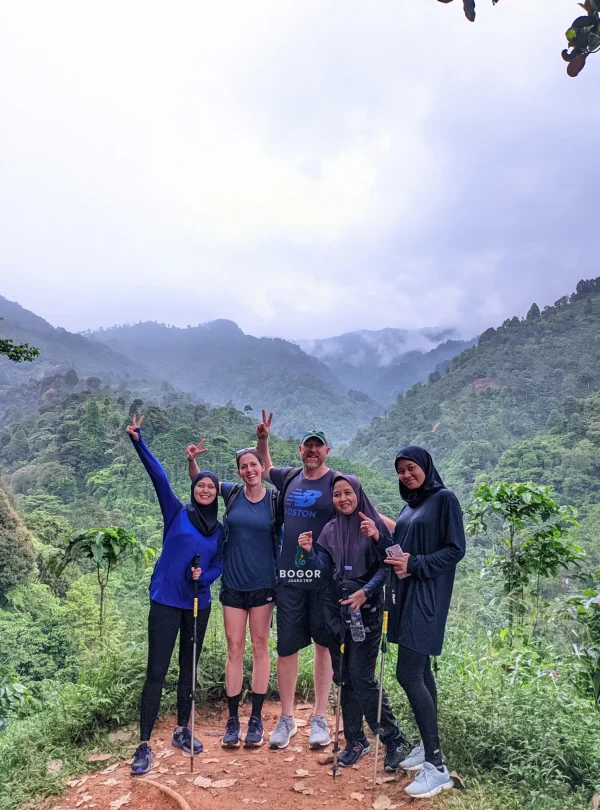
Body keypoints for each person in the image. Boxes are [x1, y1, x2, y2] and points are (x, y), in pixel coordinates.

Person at [363, 445, 465, 799]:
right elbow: (404, 545)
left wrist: (415, 564)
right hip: (406, 597)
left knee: (407, 673)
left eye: (411, 468)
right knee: (419, 672)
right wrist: (381, 537)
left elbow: (455, 549)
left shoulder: (444, 499)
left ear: (425, 467)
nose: (406, 475)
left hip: (427, 599)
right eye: (401, 471)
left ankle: (437, 767)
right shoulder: (411, 505)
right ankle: (427, 744)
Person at [127, 415, 223, 776]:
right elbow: (159, 478)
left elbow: (220, 565)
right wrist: (138, 441)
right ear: (194, 488)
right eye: (201, 485)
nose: (205, 490)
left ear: (216, 494)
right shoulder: (177, 513)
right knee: (156, 671)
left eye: (211, 487)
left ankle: (183, 729)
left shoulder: (220, 530)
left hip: (198, 604)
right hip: (166, 601)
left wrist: (204, 576)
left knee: (188, 669)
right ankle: (143, 744)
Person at [297, 474, 409, 771]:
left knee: (362, 677)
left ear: (358, 494)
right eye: (337, 494)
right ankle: (356, 741)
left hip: (367, 611)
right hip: (337, 612)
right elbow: (325, 570)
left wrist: (366, 590)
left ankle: (393, 739)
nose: (342, 499)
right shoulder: (329, 530)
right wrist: (310, 553)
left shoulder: (375, 524)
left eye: (348, 493)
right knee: (344, 677)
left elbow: (389, 565)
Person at [186, 443, 280, 749]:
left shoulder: (274, 500)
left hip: (264, 585)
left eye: (254, 465)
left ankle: (256, 719)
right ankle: (232, 720)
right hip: (233, 584)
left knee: (260, 647)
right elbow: (201, 483)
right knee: (234, 648)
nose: (250, 470)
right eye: (244, 466)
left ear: (262, 468)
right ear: (238, 472)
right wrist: (192, 461)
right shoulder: (233, 493)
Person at [255, 411, 335, 750]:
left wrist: (399, 533)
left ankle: (319, 716)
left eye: (318, 446)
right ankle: (286, 717)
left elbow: (365, 514)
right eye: (308, 446)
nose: (312, 451)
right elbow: (265, 467)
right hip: (289, 576)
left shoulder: (337, 482)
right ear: (301, 449)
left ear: (327, 451)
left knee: (323, 645)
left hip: (323, 578)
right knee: (286, 647)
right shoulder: (289, 477)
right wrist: (262, 440)